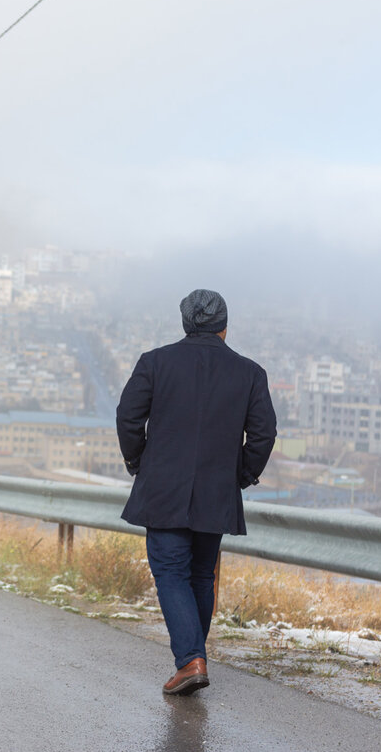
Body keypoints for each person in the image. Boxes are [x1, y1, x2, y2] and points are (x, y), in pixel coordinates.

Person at [115, 289, 276, 695]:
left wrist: (138, 461)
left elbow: (128, 417)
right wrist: (240, 474)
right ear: (224, 328)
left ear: (186, 324)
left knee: (170, 571)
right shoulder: (250, 372)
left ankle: (190, 661)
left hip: (163, 490)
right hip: (216, 492)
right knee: (201, 573)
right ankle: (194, 657)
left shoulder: (155, 362)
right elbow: (263, 434)